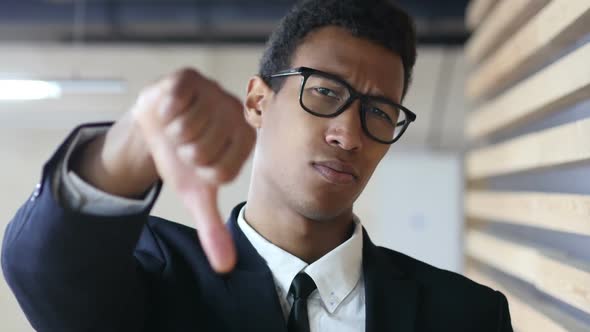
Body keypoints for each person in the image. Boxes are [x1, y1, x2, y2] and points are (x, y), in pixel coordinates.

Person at [2, 0, 513, 331]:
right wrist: (135, 140)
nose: (349, 133)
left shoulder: (466, 316)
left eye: (379, 112)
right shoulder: (153, 274)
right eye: (325, 92)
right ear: (257, 102)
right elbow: (44, 266)